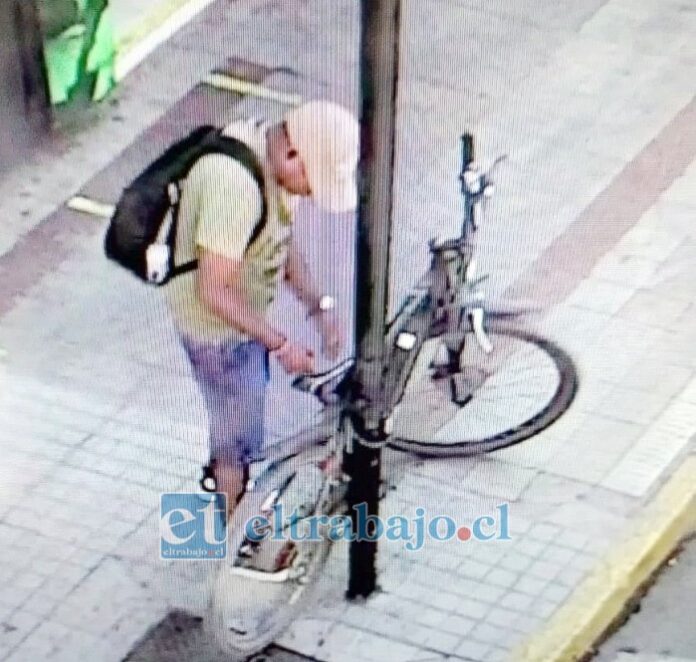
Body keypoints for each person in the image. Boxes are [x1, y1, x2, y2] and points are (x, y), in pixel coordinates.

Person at [165, 100, 360, 519]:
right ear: (292, 153)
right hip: (216, 332)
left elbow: (280, 239)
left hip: (242, 324)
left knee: (242, 418)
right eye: (312, 181)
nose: (310, 192)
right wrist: (282, 345)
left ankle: (231, 476)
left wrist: (318, 306)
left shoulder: (269, 162)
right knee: (236, 435)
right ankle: (234, 520)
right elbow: (213, 291)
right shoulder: (233, 186)